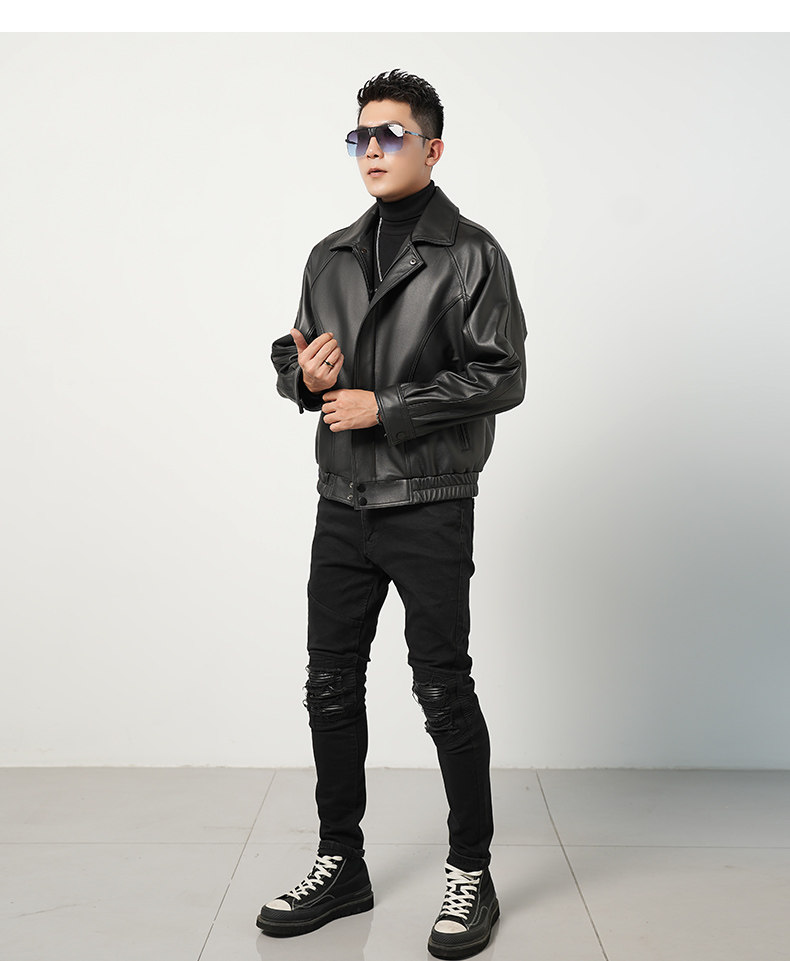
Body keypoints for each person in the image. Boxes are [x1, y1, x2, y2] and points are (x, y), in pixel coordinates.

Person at [257, 68, 527, 960]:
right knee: (329, 685)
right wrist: (306, 378)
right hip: (341, 500)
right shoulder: (330, 253)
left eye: (391, 135)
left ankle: (471, 869)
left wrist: (390, 406)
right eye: (360, 136)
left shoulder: (472, 254)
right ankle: (342, 862)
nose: (371, 150)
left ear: (432, 148)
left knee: (442, 687)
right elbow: (296, 350)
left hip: (429, 502)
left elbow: (503, 375)